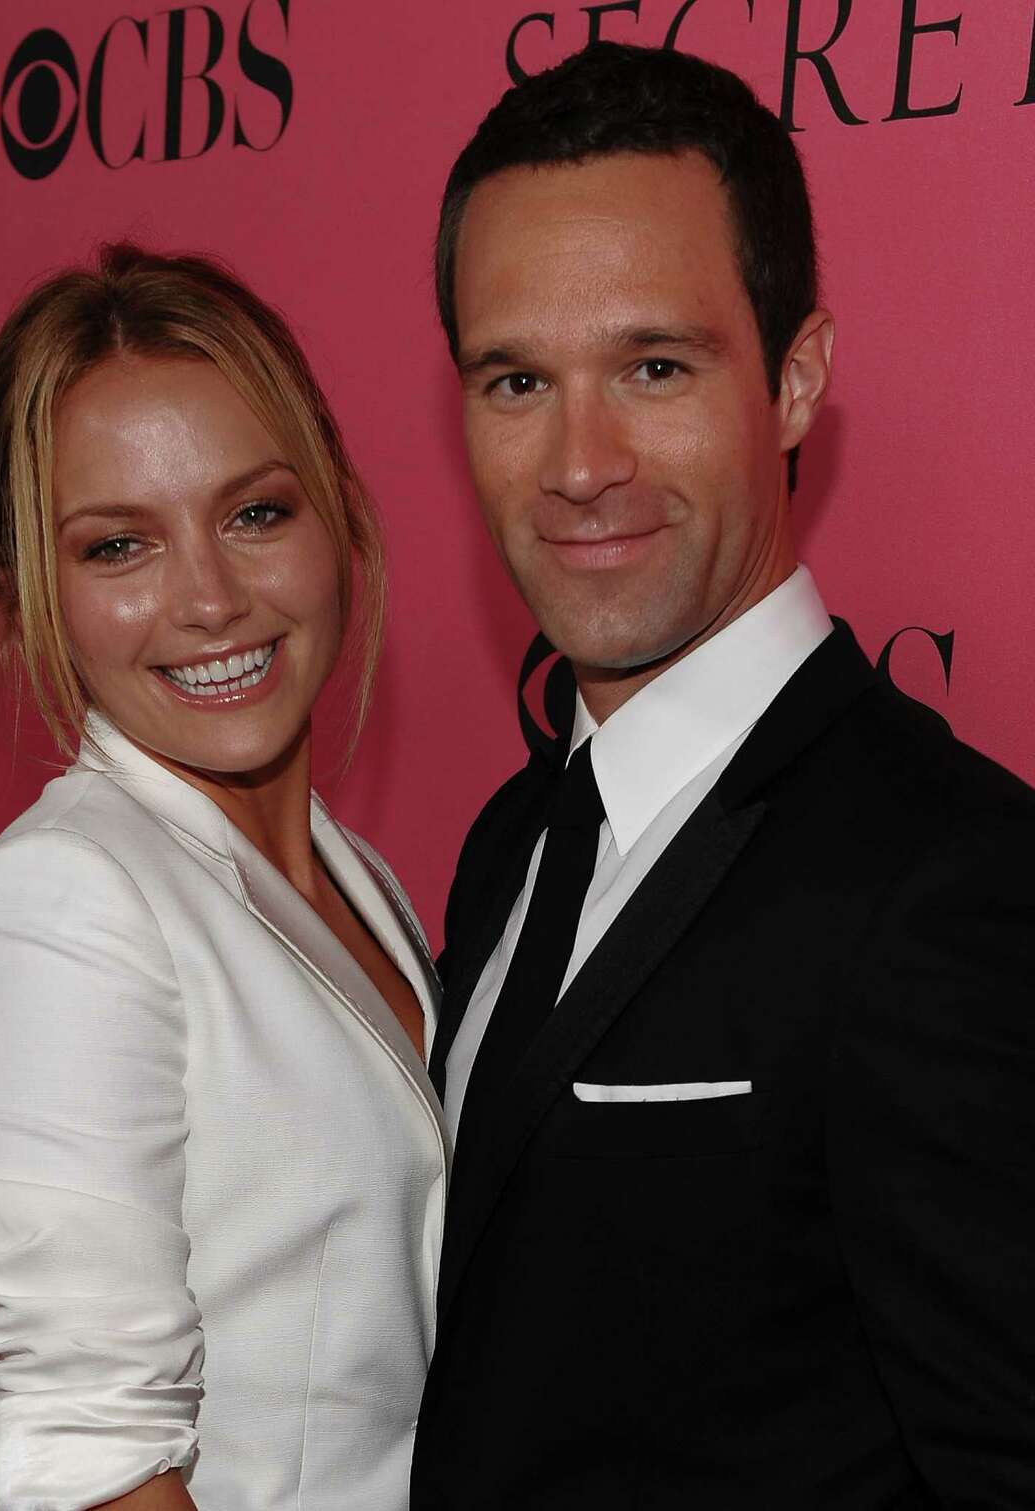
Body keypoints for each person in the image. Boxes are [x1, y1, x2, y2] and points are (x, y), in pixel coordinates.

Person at [411, 41, 1035, 1509]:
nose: (580, 459)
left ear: (798, 377)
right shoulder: (512, 841)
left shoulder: (951, 883)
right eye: (516, 379)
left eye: (654, 365)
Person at [0, 244, 448, 1511]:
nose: (210, 598)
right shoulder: (65, 903)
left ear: (337, 512)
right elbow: (94, 1464)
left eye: (256, 513)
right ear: (25, 591)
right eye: (119, 547)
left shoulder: (354, 873)